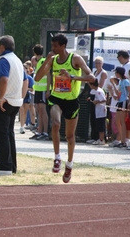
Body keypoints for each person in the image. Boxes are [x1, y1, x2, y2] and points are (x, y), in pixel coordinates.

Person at [35, 33, 95, 183]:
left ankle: (69, 164)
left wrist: (72, 77)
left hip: (71, 101)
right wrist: (47, 60)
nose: (53, 48)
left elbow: (92, 78)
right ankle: (57, 158)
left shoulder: (75, 59)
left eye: (55, 46)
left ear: (63, 46)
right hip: (56, 98)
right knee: (55, 124)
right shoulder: (53, 60)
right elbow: (37, 77)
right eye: (52, 46)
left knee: (69, 136)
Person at [0, 35, 28, 175]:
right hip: (15, 101)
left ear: (2, 46)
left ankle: (4, 167)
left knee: (1, 134)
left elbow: (4, 80)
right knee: (9, 133)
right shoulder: (17, 60)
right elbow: (26, 81)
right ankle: (11, 166)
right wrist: (20, 98)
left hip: (4, 102)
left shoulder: (4, 60)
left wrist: (1, 98)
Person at [30, 45, 51, 141]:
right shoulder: (39, 63)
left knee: (43, 111)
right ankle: (40, 131)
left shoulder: (43, 62)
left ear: (34, 53)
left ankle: (45, 132)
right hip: (38, 89)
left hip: (43, 89)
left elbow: (48, 75)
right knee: (39, 111)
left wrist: (47, 90)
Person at [87, 56, 108, 144]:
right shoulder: (95, 72)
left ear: (102, 64)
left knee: (99, 118)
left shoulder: (103, 73)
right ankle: (94, 136)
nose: (97, 64)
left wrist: (94, 88)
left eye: (99, 63)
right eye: (96, 63)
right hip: (93, 94)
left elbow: (100, 85)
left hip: (99, 95)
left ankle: (100, 138)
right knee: (92, 116)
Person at [110, 66, 130, 148]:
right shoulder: (121, 81)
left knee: (122, 121)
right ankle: (122, 139)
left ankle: (124, 141)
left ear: (119, 73)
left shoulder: (126, 81)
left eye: (116, 73)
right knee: (117, 121)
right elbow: (118, 93)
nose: (115, 74)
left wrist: (129, 103)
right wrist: (113, 84)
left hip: (124, 101)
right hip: (120, 101)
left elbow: (129, 92)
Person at [88, 79, 107, 145]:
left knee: (101, 125)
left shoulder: (99, 91)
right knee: (99, 124)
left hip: (101, 110)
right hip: (98, 110)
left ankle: (101, 139)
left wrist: (97, 101)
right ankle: (99, 138)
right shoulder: (95, 91)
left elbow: (104, 100)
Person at [19, 63, 34, 134]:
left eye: (24, 68)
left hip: (27, 96)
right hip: (20, 96)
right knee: (21, 111)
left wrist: (25, 88)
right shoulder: (18, 77)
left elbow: (32, 89)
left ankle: (23, 125)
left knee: (25, 111)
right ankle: (21, 126)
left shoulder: (29, 78)